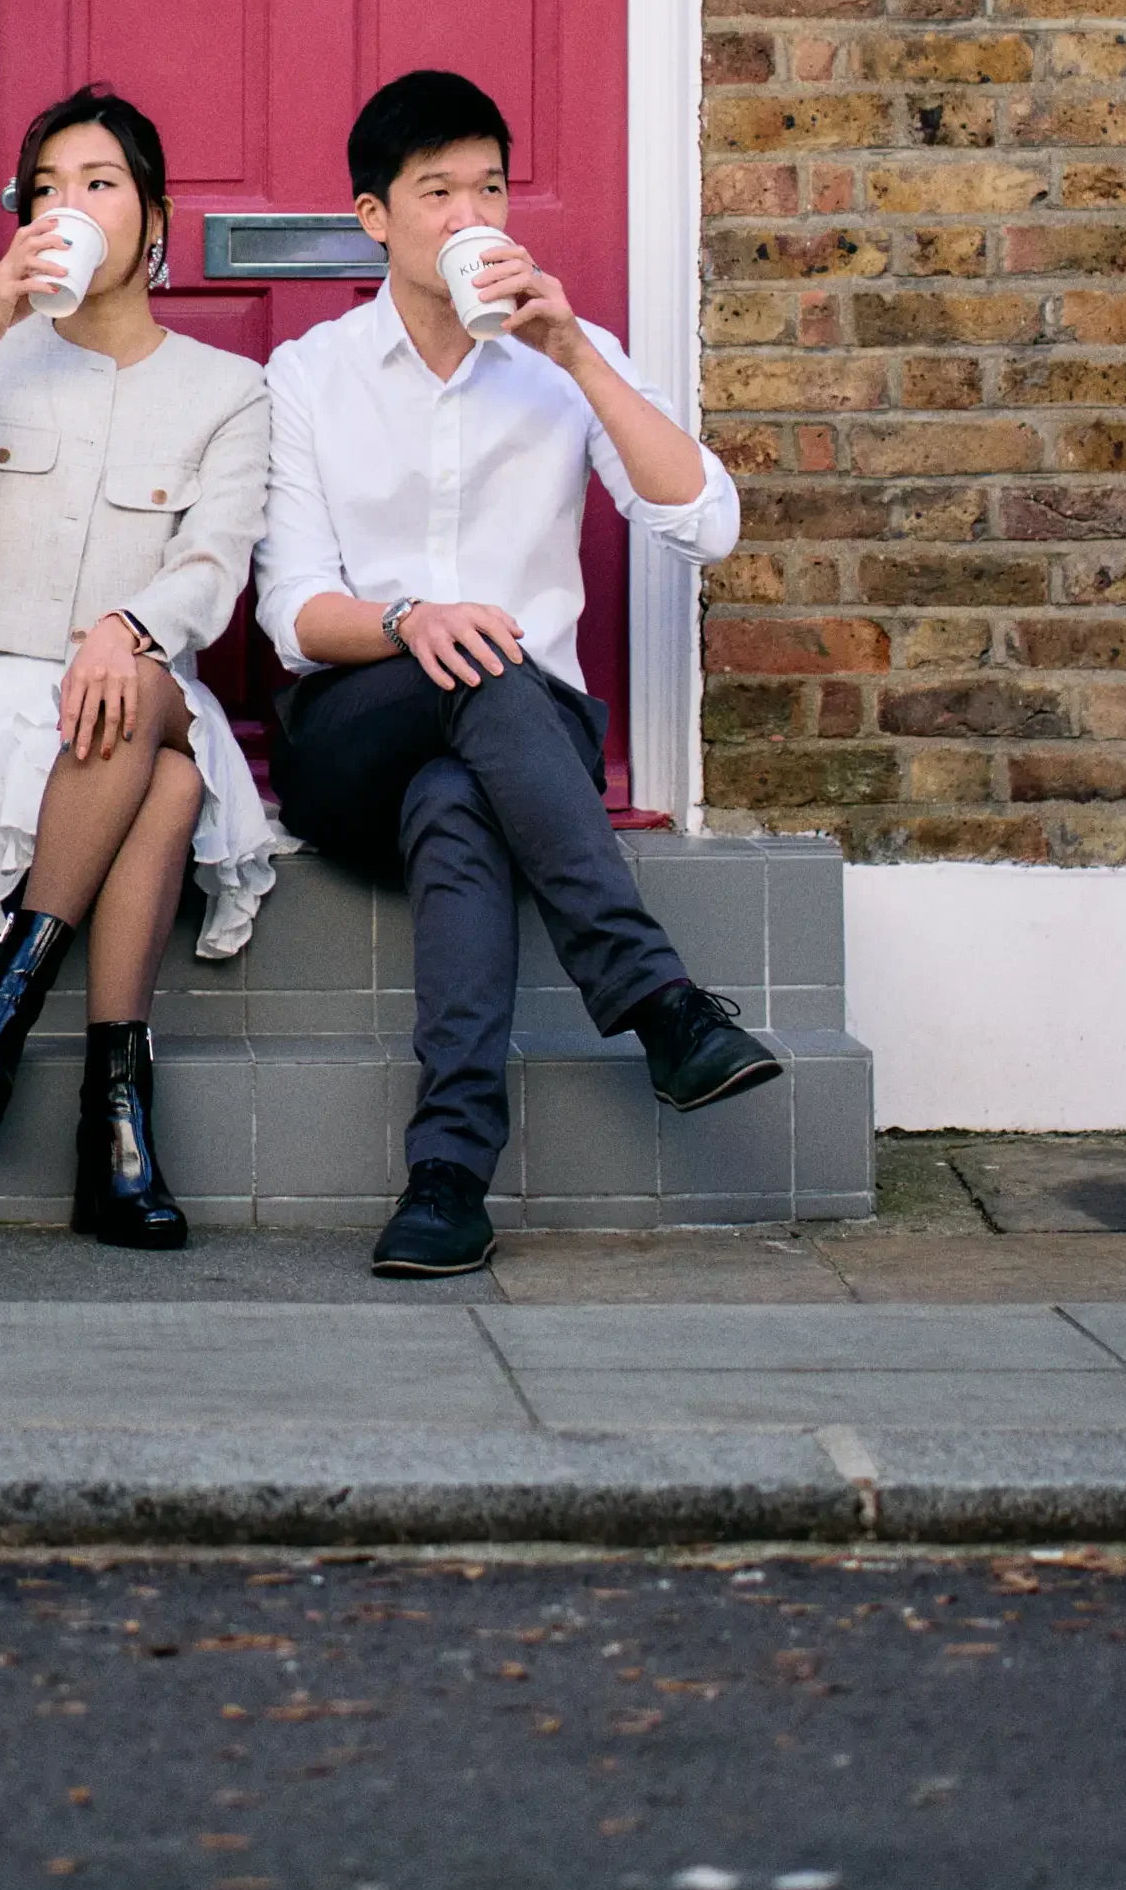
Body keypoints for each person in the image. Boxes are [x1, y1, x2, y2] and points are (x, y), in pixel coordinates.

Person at [255, 67, 778, 1280]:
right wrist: (410, 619)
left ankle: (445, 1180)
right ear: (374, 217)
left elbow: (706, 521)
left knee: (461, 799)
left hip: (506, 745)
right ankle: (659, 1005)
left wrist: (575, 354)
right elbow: (292, 613)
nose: (466, 213)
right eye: (434, 190)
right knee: (478, 664)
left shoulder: (564, 355)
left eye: (486, 186)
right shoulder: (309, 374)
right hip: (349, 731)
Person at [0, 85, 277, 1249]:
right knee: (168, 780)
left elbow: (213, 566)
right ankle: (113, 1129)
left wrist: (125, 627)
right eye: (45, 189)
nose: (67, 206)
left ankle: (3, 1017)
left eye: (98, 184)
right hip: (0, 692)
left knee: (131, 693)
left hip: (139, 677)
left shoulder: (228, 392)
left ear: (154, 218)